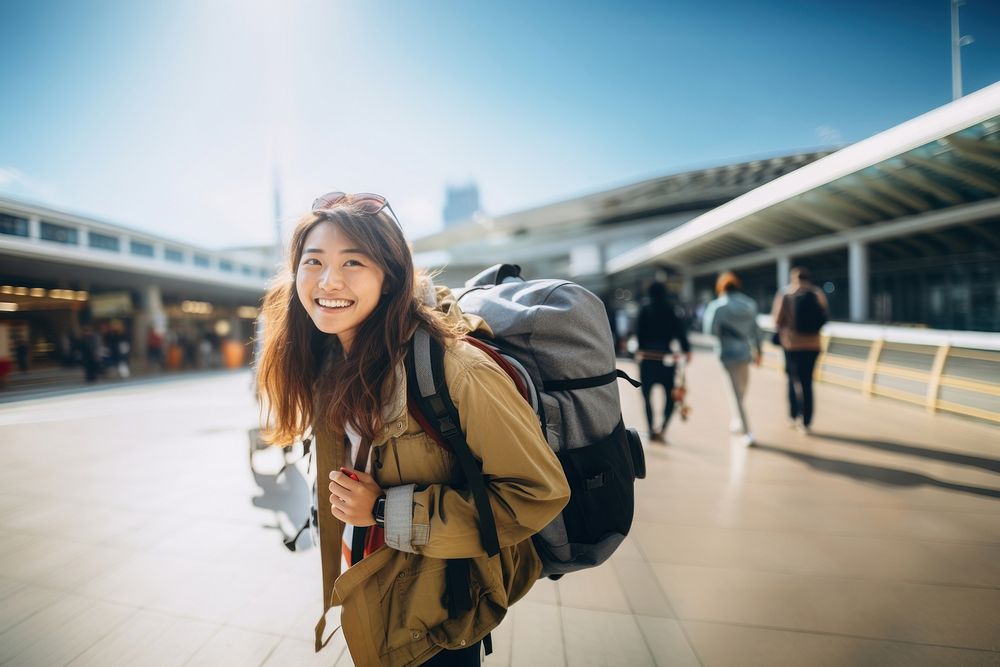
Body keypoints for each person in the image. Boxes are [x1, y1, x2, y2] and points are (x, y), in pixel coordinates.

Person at [255, 191, 570, 666]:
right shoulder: (328, 360)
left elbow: (538, 492)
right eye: (312, 261)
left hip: (436, 624)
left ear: (390, 277)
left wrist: (384, 509)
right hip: (374, 598)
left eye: (353, 262)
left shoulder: (454, 369)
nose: (328, 280)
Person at [703, 271, 762, 446]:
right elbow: (756, 331)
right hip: (745, 352)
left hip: (727, 353)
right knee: (742, 389)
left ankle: (747, 431)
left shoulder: (718, 306)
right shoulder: (750, 304)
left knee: (736, 394)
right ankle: (738, 422)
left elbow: (710, 330)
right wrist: (759, 352)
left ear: (721, 287)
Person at [772, 266, 829, 434]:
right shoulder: (817, 294)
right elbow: (825, 317)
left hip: (792, 345)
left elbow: (776, 319)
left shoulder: (786, 294)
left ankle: (793, 416)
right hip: (813, 345)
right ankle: (807, 422)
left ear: (793, 278)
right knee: (807, 382)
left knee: (791, 379)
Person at [635, 281, 691, 443]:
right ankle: (663, 428)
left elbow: (639, 334)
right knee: (670, 395)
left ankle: (651, 428)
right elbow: (681, 332)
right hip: (666, 358)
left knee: (646, 396)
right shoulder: (671, 309)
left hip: (648, 358)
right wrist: (686, 350)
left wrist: (639, 352)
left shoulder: (644, 310)